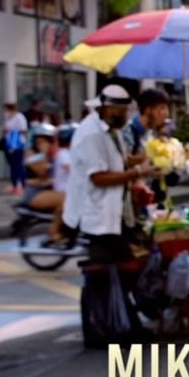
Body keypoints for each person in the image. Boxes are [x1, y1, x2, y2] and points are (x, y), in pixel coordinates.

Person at [62, 85, 158, 264]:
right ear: (105, 109)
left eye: (126, 111)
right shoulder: (92, 134)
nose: (125, 116)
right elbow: (98, 178)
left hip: (115, 213)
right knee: (103, 273)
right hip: (98, 216)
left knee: (117, 270)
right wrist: (137, 172)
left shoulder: (112, 129)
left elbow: (120, 160)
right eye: (120, 111)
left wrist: (145, 159)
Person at [2, 103, 29, 195]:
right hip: (9, 143)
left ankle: (22, 185)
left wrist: (12, 130)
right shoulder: (8, 119)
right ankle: (14, 185)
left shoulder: (19, 117)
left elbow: (23, 129)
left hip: (17, 142)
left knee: (18, 164)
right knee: (12, 165)